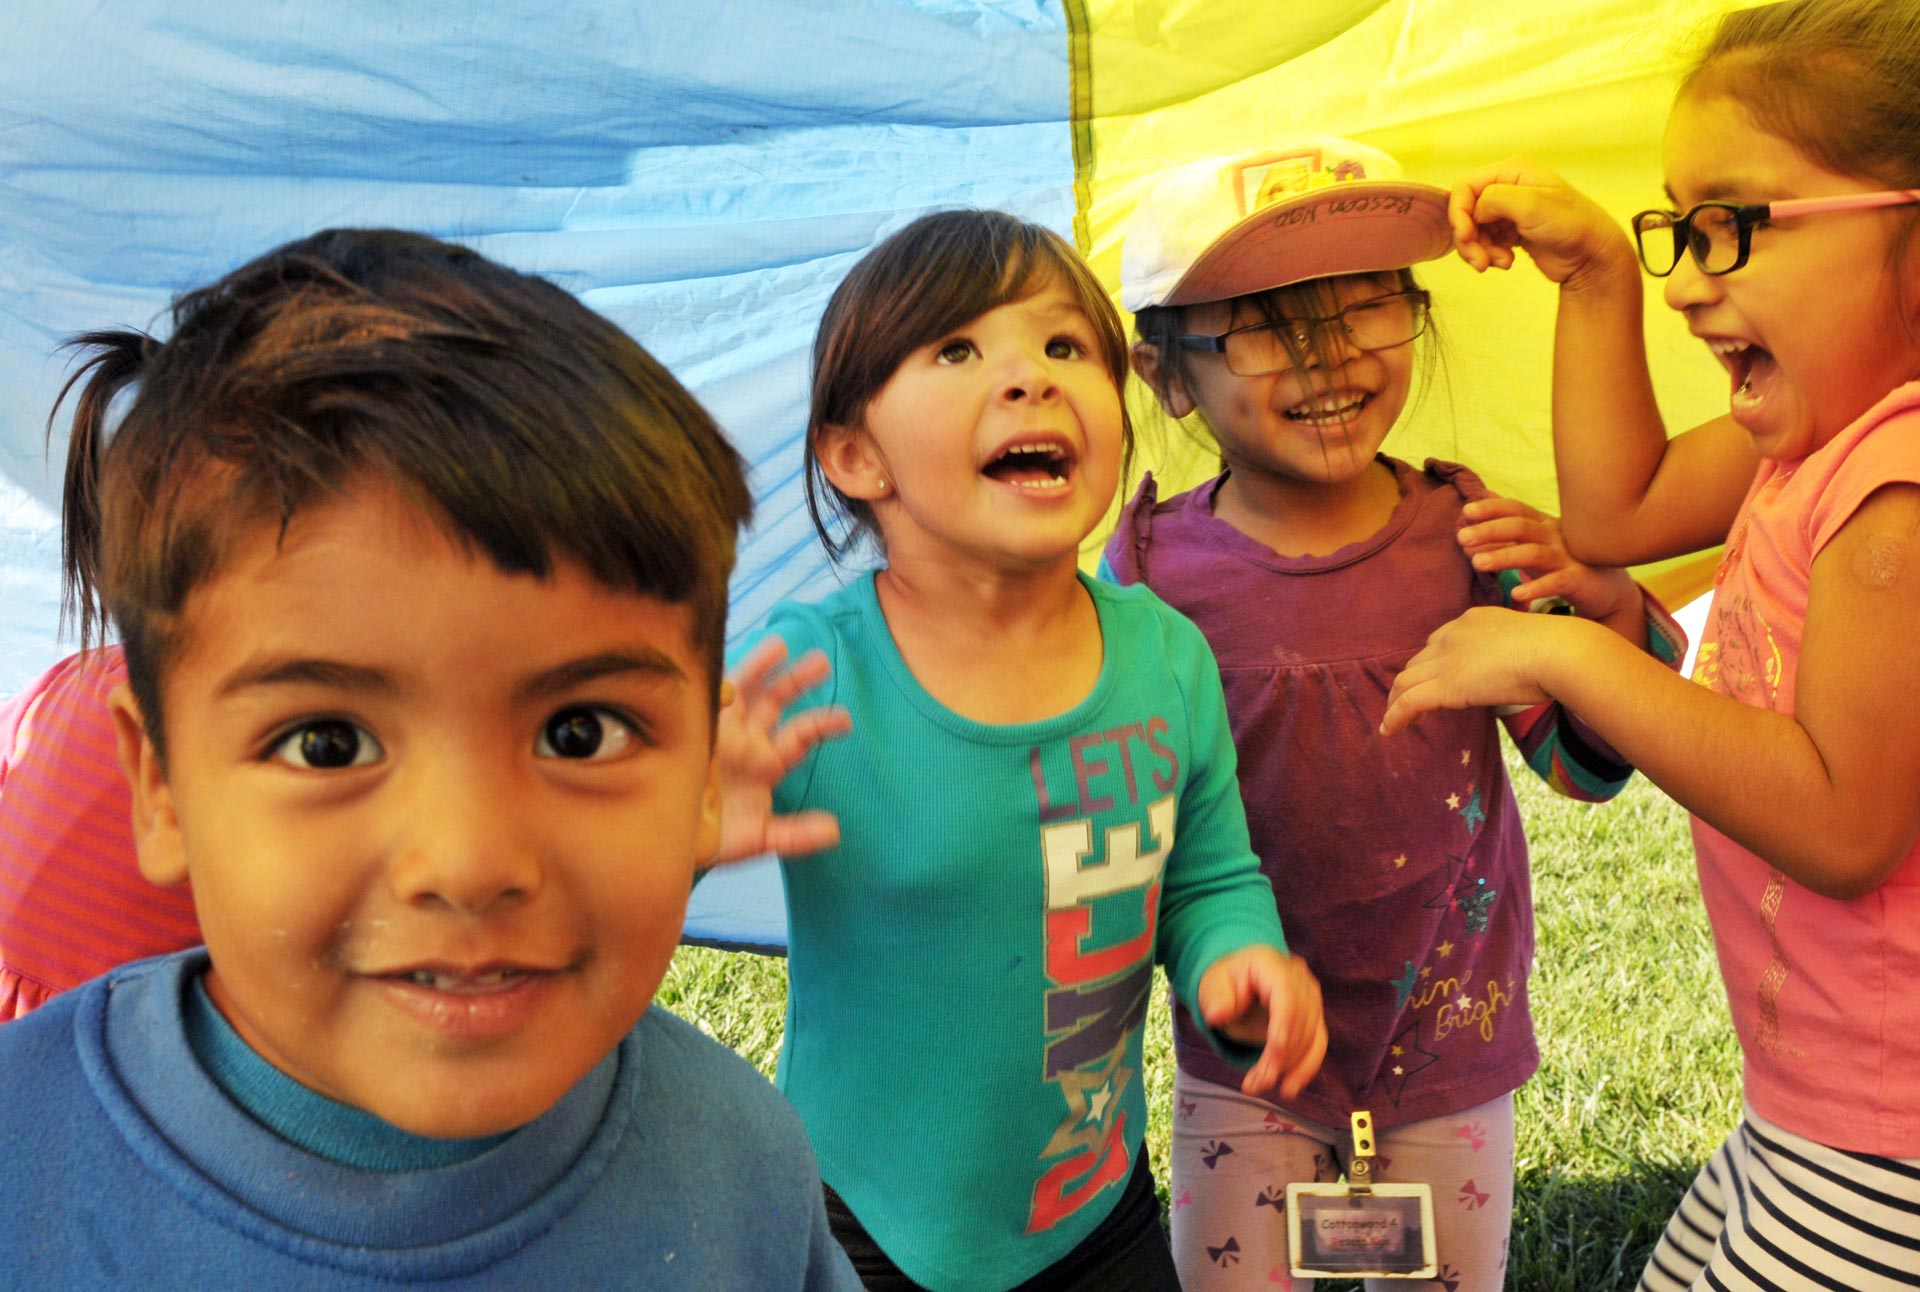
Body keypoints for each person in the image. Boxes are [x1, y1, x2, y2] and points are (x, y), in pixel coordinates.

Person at [0, 227, 861, 1290]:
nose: (467, 860)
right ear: (160, 785)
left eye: (580, 731)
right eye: (329, 743)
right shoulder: (22, 1173)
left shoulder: (740, 1164)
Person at [1387, 2, 1920, 1286]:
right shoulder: (1819, 434)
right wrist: (1594, 278)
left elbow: (1843, 823)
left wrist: (1576, 661)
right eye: (1676, 231)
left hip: (1889, 1140)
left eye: (1733, 224)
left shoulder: (1897, 484)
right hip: (1817, 1106)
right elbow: (1616, 510)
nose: (1690, 279)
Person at [1104, 139, 1687, 1292]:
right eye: (1268, 322)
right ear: (1168, 373)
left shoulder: (1473, 536)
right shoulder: (1150, 568)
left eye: (1365, 305)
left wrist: (1602, 606)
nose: (1328, 354)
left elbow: (1589, 766)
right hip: (1246, 1054)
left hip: (1450, 1043)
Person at [719, 208, 1328, 1292]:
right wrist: (673, 829)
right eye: (958, 350)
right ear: (857, 454)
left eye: (1064, 346)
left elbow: (1207, 874)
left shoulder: (1165, 657)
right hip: (862, 1216)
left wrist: (1236, 954)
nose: (1028, 377)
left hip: (1093, 1204)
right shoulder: (813, 671)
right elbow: (609, 885)